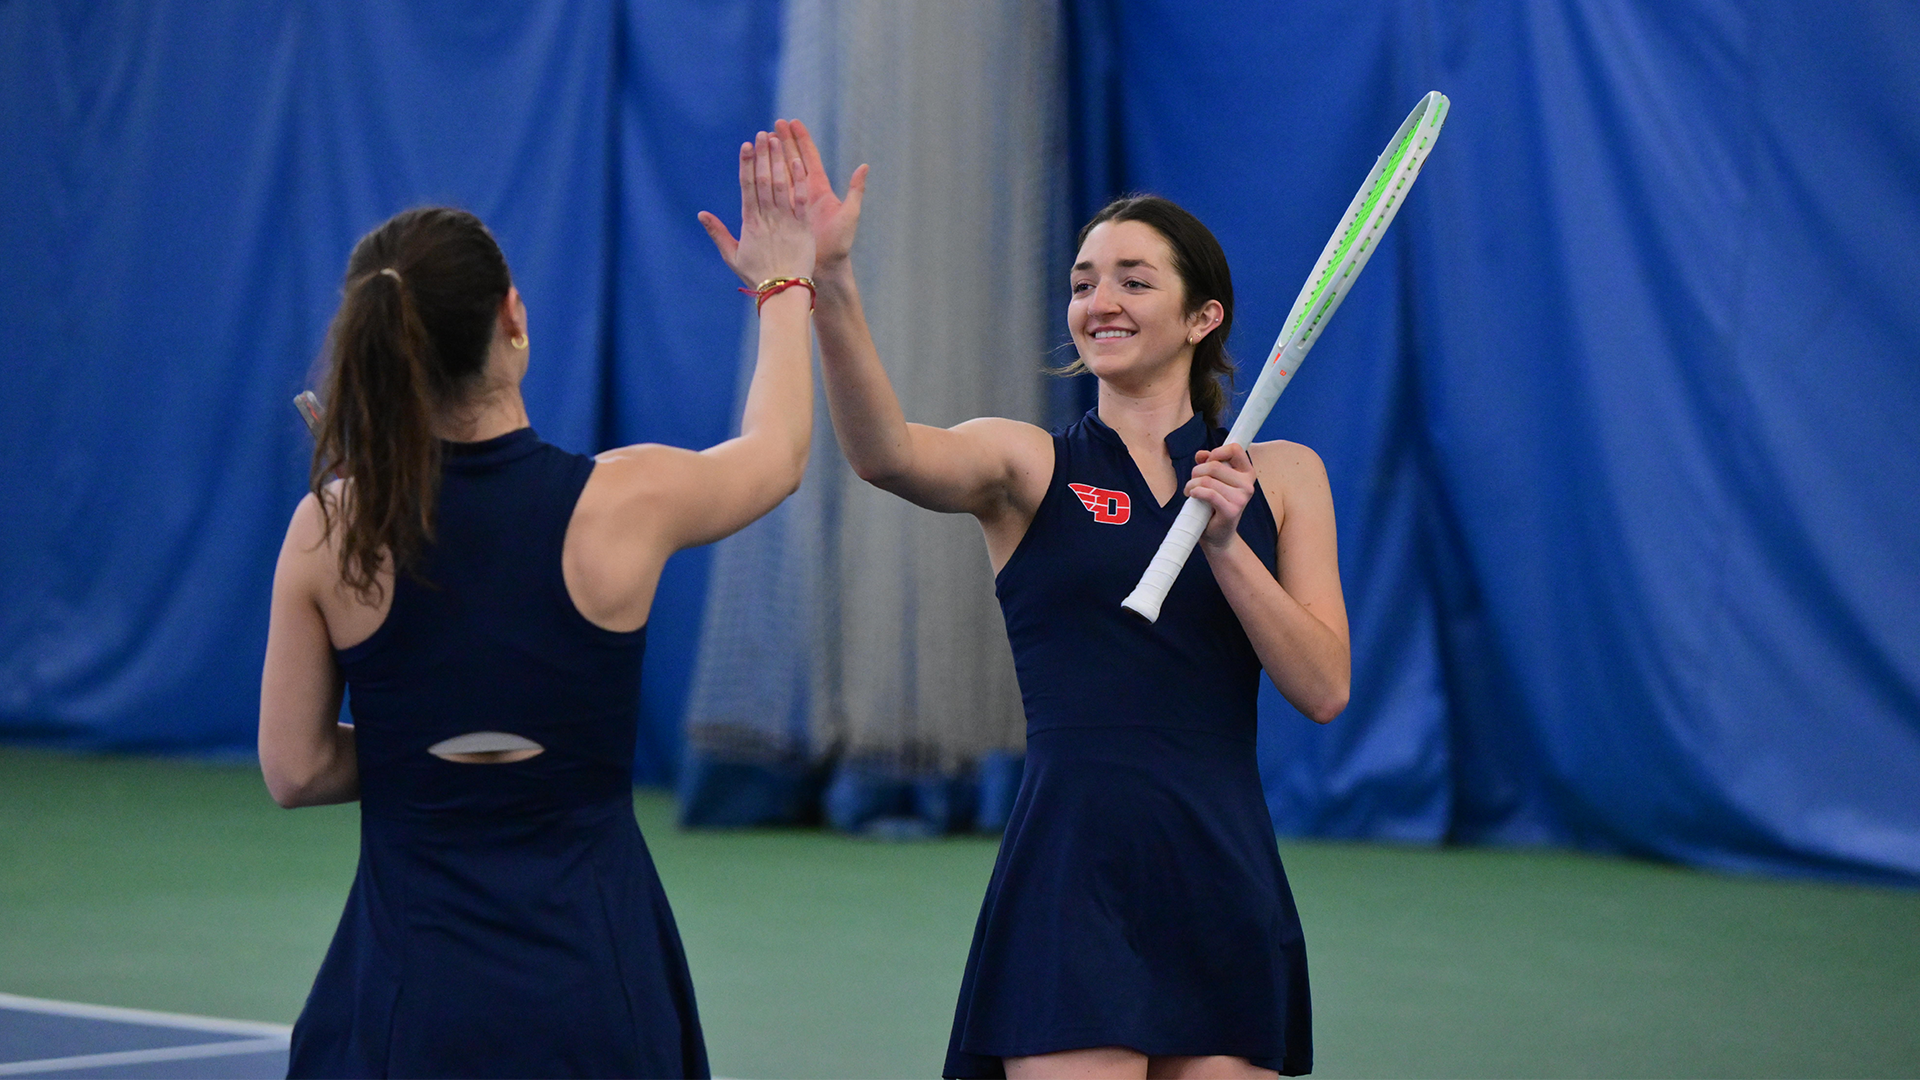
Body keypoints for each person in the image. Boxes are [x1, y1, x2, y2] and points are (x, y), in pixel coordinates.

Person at [774, 119, 1350, 1080]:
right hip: (1073, 865)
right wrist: (831, 286)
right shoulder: (1026, 462)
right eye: (1084, 281)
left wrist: (1227, 548)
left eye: (1133, 279)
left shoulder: (1284, 478)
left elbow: (1324, 686)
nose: (1099, 301)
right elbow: (885, 454)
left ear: (1203, 316)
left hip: (1221, 867)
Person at [258, 130, 816, 1079]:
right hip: (597, 993)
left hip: (406, 1002)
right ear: (513, 317)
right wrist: (784, 284)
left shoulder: (330, 531)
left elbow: (297, 770)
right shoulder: (625, 502)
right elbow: (778, 452)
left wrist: (429, 737)